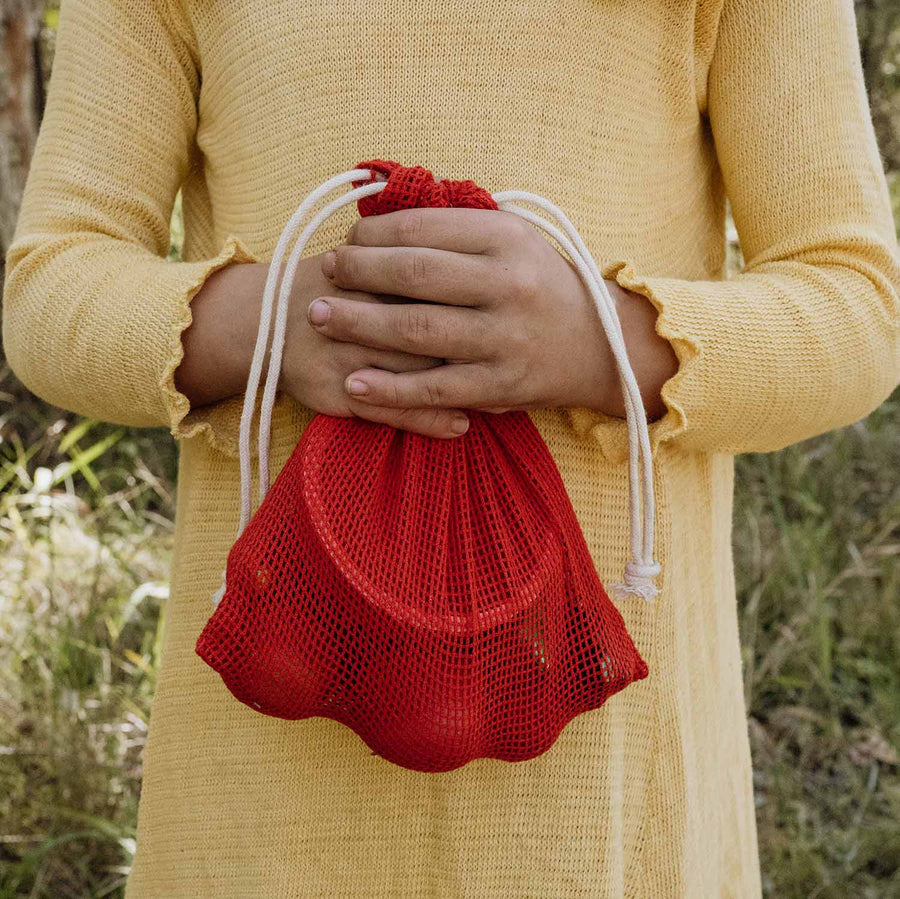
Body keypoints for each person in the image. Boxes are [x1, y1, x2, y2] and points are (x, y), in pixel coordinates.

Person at [3, 0, 898, 894]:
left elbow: (859, 306)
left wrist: (595, 340)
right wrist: (273, 321)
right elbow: (49, 288)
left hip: (607, 827)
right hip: (260, 814)